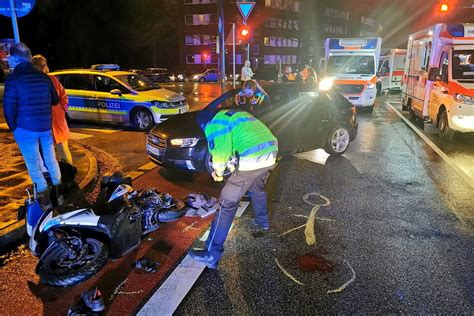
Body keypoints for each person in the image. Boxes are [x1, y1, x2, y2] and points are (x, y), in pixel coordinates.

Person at [190, 107, 278, 269]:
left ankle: (211, 254)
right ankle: (262, 221)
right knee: (258, 190)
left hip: (253, 156)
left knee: (226, 205)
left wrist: (218, 172)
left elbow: (221, 153)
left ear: (204, 124)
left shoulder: (213, 124)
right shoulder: (231, 115)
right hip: (271, 151)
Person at [3, 43, 62, 209]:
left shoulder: (13, 80)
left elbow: (9, 109)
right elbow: (55, 100)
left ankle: (45, 201)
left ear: (15, 58)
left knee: (34, 164)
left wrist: (14, 128)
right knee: (51, 160)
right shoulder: (43, 77)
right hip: (45, 127)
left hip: (25, 129)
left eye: (9, 56)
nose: (7, 59)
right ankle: (60, 195)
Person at [31, 54, 73, 165]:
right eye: (40, 65)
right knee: (48, 153)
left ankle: (69, 174)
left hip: (56, 121)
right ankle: (55, 176)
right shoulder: (31, 82)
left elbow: (63, 95)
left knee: (63, 150)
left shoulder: (52, 79)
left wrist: (62, 109)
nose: (43, 68)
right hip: (43, 123)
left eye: (44, 65)